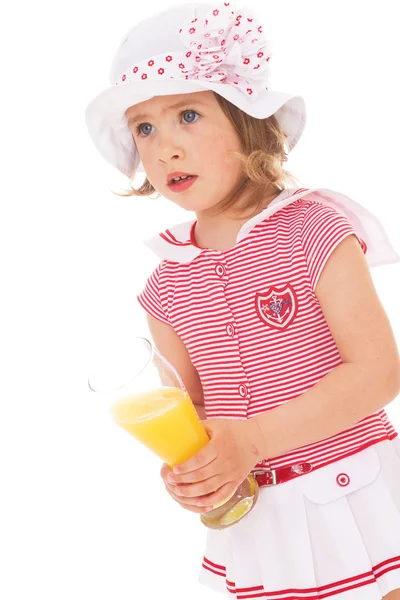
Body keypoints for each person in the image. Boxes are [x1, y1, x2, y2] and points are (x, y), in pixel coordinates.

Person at [85, 2, 400, 598]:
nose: (164, 147)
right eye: (144, 128)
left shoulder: (315, 228)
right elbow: (192, 413)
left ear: (248, 121)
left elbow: (379, 371)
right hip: (263, 520)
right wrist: (195, 472)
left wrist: (252, 440)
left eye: (187, 114)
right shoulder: (166, 284)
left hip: (356, 489)